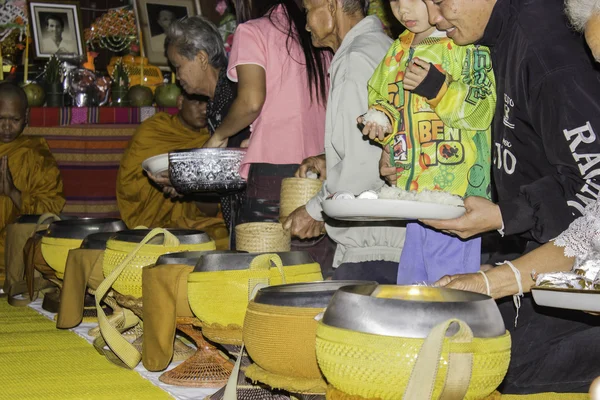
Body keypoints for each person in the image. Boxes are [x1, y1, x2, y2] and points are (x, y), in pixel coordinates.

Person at [422, 0, 600, 394]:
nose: (434, 17)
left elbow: (591, 185)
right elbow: (593, 230)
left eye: (438, 1)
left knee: (509, 363)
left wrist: (508, 217)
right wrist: (496, 279)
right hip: (555, 249)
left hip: (564, 256)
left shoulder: (547, 50)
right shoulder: (505, 39)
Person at [359, 0, 496, 284]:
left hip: (455, 196)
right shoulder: (398, 49)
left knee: (448, 289)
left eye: (412, 0)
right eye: (394, 2)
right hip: (413, 194)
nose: (402, 11)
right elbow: (386, 100)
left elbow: (482, 109)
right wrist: (381, 122)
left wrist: (440, 88)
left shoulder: (464, 43)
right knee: (412, 288)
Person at [283, 0, 406, 283]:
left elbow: (362, 168)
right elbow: (379, 141)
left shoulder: (354, 59)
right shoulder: (385, 46)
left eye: (308, 11)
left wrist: (314, 211)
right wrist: (330, 158)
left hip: (374, 246)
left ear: (332, 5)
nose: (306, 23)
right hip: (398, 235)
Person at [201, 0, 330, 226]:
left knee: (262, 257)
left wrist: (218, 136)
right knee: (310, 259)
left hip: (275, 174)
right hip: (322, 168)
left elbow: (251, 102)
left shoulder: (253, 31)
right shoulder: (316, 35)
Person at [116, 93, 228, 249]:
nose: (204, 110)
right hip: (151, 222)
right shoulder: (154, 130)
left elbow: (209, 210)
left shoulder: (211, 142)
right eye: (198, 103)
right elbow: (131, 187)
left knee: (226, 238)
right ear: (181, 102)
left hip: (191, 225)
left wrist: (190, 187)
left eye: (209, 105)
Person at [0, 82, 65, 284]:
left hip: (15, 252)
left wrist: (14, 193)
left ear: (26, 117)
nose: (7, 126)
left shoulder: (36, 156)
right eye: (0, 119)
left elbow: (51, 210)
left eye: (15, 119)